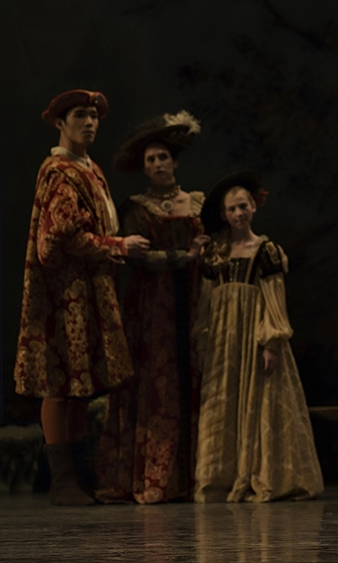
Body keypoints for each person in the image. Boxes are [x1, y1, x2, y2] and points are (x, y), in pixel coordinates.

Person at [14, 89, 149, 505]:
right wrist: (118, 245)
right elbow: (57, 238)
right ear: (60, 122)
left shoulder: (86, 167)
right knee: (60, 380)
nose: (89, 122)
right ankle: (62, 481)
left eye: (94, 116)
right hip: (64, 293)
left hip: (89, 289)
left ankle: (74, 477)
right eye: (80, 115)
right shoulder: (59, 170)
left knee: (79, 383)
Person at [95, 110, 210, 504]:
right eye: (150, 160)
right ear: (144, 169)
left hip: (194, 302)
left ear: (175, 162)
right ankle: (155, 475)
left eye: (163, 157)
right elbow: (139, 258)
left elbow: (211, 249)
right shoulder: (137, 207)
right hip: (153, 307)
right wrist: (184, 256)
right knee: (156, 382)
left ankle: (197, 476)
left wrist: (202, 256)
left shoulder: (197, 204)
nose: (158, 164)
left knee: (194, 376)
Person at [192, 171, 323, 502]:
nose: (239, 214)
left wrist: (271, 342)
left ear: (253, 208)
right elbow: (206, 300)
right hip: (224, 340)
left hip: (253, 335)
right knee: (222, 404)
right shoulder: (216, 253)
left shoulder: (265, 250)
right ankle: (220, 477)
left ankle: (261, 474)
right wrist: (204, 337)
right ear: (224, 214)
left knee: (260, 402)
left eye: (244, 206)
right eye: (232, 209)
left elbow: (273, 298)